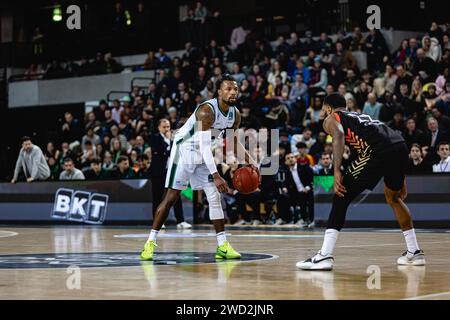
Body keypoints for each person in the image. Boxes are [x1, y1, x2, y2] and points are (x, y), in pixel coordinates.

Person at [297, 93, 425, 270]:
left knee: (341, 195)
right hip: (400, 146)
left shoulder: (331, 118)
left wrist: (336, 171)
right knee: (394, 197)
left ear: (328, 108)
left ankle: (324, 256)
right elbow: (381, 140)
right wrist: (400, 176)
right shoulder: (358, 117)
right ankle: (414, 252)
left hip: (377, 151)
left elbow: (339, 135)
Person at [140, 74, 257, 261]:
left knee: (214, 196)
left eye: (235, 88)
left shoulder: (235, 114)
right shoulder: (206, 110)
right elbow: (203, 146)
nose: (233, 92)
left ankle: (222, 246)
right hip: (185, 150)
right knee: (171, 196)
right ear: (219, 92)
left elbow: (233, 141)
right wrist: (216, 175)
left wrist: (252, 161)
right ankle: (150, 243)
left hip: (204, 153)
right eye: (228, 88)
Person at [149, 119, 191, 229]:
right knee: (157, 197)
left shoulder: (174, 137)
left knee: (176, 196)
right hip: (158, 172)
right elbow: (158, 151)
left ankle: (180, 220)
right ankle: (158, 221)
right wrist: (168, 145)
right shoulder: (155, 138)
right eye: (164, 127)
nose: (166, 129)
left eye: (168, 127)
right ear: (159, 127)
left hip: (172, 171)